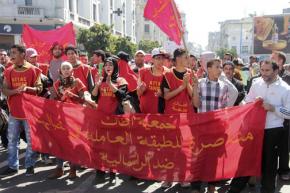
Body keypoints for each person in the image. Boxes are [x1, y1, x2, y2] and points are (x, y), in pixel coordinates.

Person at [227, 60, 290, 193]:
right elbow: (247, 101)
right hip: (254, 129)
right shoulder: (256, 83)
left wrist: (273, 108)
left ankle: (267, 190)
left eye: (267, 70)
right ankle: (234, 189)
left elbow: (289, 112)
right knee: (246, 161)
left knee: (269, 164)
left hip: (273, 131)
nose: (264, 73)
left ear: (276, 70)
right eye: (262, 70)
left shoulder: (285, 88)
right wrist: (246, 105)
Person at [192, 59, 236, 193]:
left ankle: (212, 186)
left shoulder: (224, 86)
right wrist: (194, 87)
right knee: (198, 157)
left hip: (216, 128)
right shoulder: (199, 83)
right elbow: (196, 104)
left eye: (220, 67)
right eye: (217, 67)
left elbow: (224, 109)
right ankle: (196, 186)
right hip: (201, 127)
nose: (220, 70)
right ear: (208, 68)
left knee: (214, 158)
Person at [0, 45, 42, 177]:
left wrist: (27, 89)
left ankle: (30, 165)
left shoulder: (34, 70)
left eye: (14, 53)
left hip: (30, 112)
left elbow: (39, 89)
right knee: (12, 140)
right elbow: (4, 90)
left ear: (23, 54)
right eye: (10, 52)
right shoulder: (8, 71)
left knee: (31, 140)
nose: (11, 55)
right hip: (14, 112)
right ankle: (13, 166)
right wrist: (16, 91)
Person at [91, 57, 132, 184]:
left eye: (111, 65)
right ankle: (100, 173)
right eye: (106, 65)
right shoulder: (100, 80)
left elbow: (122, 95)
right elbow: (94, 97)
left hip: (115, 118)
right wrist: (97, 85)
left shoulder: (121, 80)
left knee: (113, 146)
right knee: (99, 145)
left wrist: (110, 84)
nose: (108, 67)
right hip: (101, 117)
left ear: (115, 67)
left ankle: (112, 173)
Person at [137, 48, 168, 113]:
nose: (161, 61)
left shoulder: (168, 73)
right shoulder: (143, 71)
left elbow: (170, 94)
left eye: (163, 58)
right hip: (145, 111)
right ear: (152, 59)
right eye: (158, 58)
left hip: (161, 111)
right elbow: (138, 93)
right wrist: (141, 90)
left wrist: (162, 95)